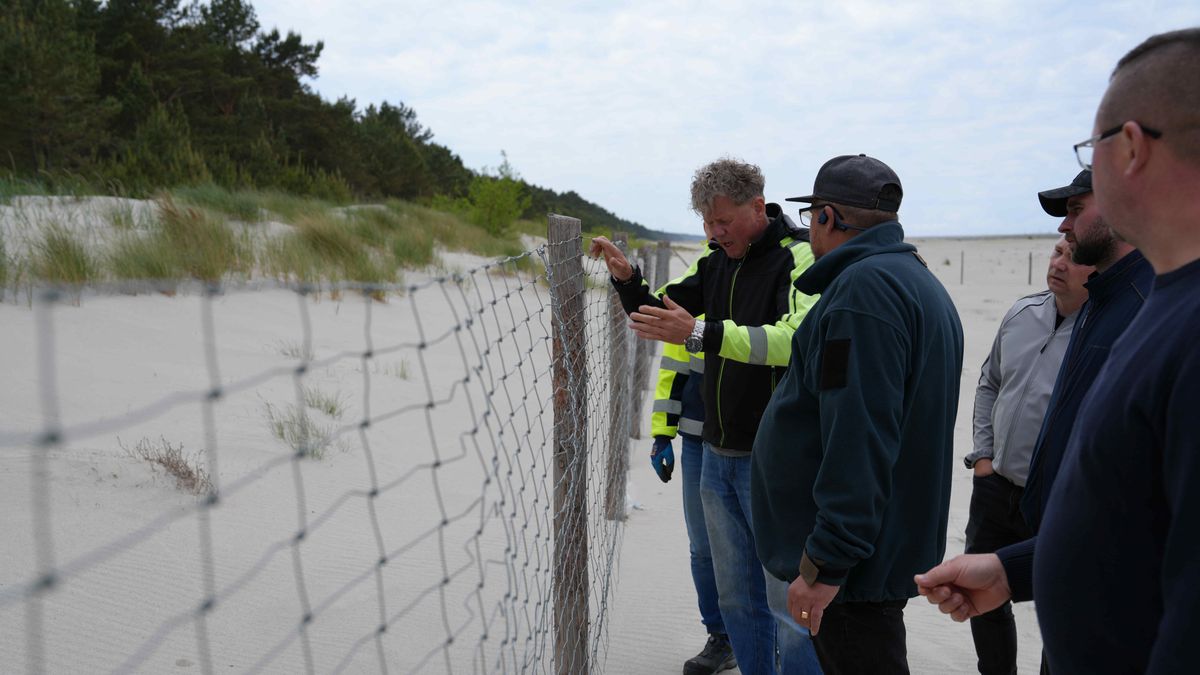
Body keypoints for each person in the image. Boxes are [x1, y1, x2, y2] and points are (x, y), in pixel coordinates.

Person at [916, 28, 1200, 673]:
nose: (1064, 225)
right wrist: (1012, 570)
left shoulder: (1177, 320)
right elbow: (1134, 519)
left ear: (1130, 148)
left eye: (1090, 152)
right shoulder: (1139, 299)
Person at [589, 157, 821, 674]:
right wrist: (628, 280)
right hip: (716, 453)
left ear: (758, 207)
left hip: (776, 458)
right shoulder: (715, 261)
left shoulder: (800, 255)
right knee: (736, 598)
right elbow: (657, 313)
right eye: (707, 223)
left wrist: (702, 332)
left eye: (723, 221)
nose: (715, 233)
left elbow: (795, 341)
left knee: (788, 605)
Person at [750, 154, 964, 674]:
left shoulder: (863, 292)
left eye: (812, 217)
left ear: (828, 216)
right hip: (878, 548)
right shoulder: (915, 280)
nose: (809, 229)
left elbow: (859, 435)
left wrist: (826, 562)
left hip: (855, 567)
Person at [961, 236, 1092, 675]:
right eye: (1057, 252)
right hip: (995, 486)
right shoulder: (1022, 312)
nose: (1059, 264)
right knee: (981, 594)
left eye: (1073, 258)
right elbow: (989, 383)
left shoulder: (1102, 333)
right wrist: (983, 458)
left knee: (1059, 604)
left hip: (1055, 497)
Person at [1018, 168, 1154, 535]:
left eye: (1076, 209)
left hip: (1102, 542)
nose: (1064, 226)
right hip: (1058, 529)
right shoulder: (1099, 296)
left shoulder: (1149, 305)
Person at [651, 328, 735, 674]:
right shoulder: (696, 300)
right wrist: (662, 432)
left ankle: (767, 634)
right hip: (699, 439)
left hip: (758, 439)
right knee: (703, 546)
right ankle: (721, 637)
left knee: (758, 548)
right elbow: (674, 366)